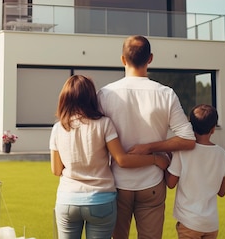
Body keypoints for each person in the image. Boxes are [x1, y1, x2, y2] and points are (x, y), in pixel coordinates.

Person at [97, 35, 196, 239]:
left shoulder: (105, 94)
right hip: (152, 182)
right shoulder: (166, 94)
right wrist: (150, 147)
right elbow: (188, 139)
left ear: (123, 59)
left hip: (115, 183)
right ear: (150, 58)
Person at [50, 75, 170, 239]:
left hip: (67, 199)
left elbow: (56, 170)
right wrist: (156, 159)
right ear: (91, 97)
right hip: (101, 200)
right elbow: (122, 160)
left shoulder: (58, 128)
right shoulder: (104, 124)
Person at [165, 104, 225, 239]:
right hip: (211, 224)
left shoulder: (182, 151)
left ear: (190, 126)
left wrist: (166, 160)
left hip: (189, 223)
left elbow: (170, 183)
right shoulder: (222, 154)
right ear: (213, 129)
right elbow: (222, 192)